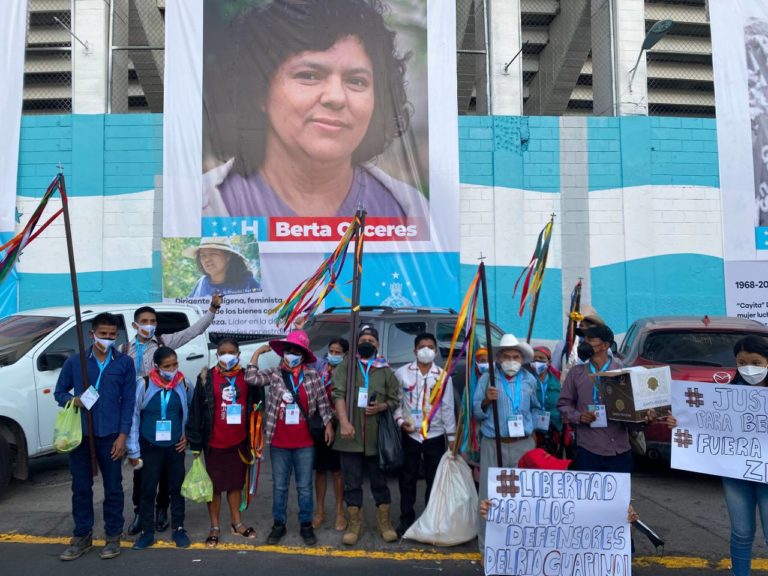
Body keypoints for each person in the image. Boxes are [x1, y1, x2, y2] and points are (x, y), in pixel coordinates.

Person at [203, 0, 428, 220]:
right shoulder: (200, 206)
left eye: (357, 81)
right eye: (309, 76)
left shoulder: (409, 214)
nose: (336, 97)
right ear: (258, 91)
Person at [121, 294, 222, 536]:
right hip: (144, 413)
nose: (149, 325)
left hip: (166, 416)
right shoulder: (124, 349)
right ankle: (139, 513)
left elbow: (193, 331)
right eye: (144, 321)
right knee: (142, 473)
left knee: (167, 472)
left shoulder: (163, 343)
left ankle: (162, 511)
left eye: (153, 320)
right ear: (135, 325)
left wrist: (212, 309)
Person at [667, 336, 768, 576]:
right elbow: (703, 423)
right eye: (742, 362)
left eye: (756, 361)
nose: (749, 368)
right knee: (741, 533)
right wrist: (679, 423)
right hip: (735, 475)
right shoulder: (725, 396)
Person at [54, 312, 137, 561]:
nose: (108, 338)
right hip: (80, 436)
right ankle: (82, 537)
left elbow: (129, 402)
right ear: (92, 334)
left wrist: (123, 436)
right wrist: (74, 400)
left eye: (112, 335)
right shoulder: (76, 362)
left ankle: (113, 537)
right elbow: (59, 392)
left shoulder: (124, 363)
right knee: (81, 488)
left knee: (113, 488)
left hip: (110, 435)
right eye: (103, 334)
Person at [246, 330, 334, 546]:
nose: (291, 355)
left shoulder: (313, 376)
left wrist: (329, 424)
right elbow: (251, 378)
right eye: (288, 351)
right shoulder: (276, 373)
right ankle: (279, 525)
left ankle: (306, 525)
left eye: (296, 351)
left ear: (303, 355)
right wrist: (257, 352)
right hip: (278, 441)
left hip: (305, 442)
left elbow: (323, 403)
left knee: (304, 486)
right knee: (280, 486)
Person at [185, 338, 263, 547]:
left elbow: (257, 403)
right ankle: (215, 526)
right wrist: (195, 444)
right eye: (222, 352)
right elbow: (196, 413)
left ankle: (237, 523)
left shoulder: (247, 376)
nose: (227, 356)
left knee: (236, 485)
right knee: (215, 488)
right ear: (217, 354)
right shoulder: (206, 378)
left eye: (231, 352)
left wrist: (256, 433)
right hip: (214, 443)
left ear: (238, 354)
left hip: (239, 442)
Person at [332, 325, 400, 545]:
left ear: (378, 345)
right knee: (352, 482)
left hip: (376, 438)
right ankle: (354, 525)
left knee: (379, 483)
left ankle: (384, 523)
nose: (367, 343)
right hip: (349, 436)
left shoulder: (385, 370)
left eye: (371, 340)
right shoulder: (346, 366)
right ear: (356, 344)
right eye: (363, 340)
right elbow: (338, 394)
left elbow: (394, 399)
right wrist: (343, 422)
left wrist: (381, 407)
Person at [472, 333, 539, 554]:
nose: (511, 360)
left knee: (523, 495)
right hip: (494, 443)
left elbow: (537, 409)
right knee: (489, 497)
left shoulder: (530, 380)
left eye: (516, 356)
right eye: (507, 356)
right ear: (499, 359)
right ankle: (487, 549)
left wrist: (534, 434)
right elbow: (476, 412)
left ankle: (521, 546)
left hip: (523, 444)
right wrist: (486, 400)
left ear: (521, 359)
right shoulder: (487, 379)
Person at [127, 347, 192, 550]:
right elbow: (133, 416)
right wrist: (133, 450)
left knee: (177, 488)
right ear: (157, 366)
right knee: (148, 489)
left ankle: (179, 528)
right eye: (167, 366)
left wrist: (187, 436)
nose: (172, 369)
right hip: (149, 445)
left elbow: (190, 411)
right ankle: (147, 532)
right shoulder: (144, 384)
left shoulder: (183, 383)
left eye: (175, 364)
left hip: (175, 445)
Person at [393, 332, 456, 537]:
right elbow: (397, 404)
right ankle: (406, 518)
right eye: (422, 347)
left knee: (433, 479)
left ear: (436, 351)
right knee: (407, 478)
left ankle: (430, 519)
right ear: (414, 350)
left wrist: (452, 438)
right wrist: (402, 422)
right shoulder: (402, 373)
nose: (426, 350)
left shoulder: (442, 376)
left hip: (435, 435)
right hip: (411, 434)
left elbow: (447, 408)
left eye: (430, 346)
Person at [557, 324, 638, 473]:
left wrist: (644, 417)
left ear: (605, 345)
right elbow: (564, 404)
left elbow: (636, 410)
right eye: (584, 339)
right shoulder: (576, 373)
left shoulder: (622, 372)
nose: (584, 342)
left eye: (590, 339)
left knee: (618, 496)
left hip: (618, 451)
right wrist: (579, 416)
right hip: (588, 450)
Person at [312, 337, 349, 531]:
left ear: (346, 355)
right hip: (320, 423)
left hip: (340, 423)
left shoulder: (348, 372)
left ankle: (339, 512)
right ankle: (319, 511)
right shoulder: (321, 368)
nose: (333, 355)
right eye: (331, 351)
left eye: (338, 352)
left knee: (337, 471)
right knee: (320, 470)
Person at [183, 237, 261, 297]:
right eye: (203, 256)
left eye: (213, 254)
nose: (207, 259)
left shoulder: (247, 283)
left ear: (228, 256)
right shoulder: (201, 284)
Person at [530, 345, 563, 456]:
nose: (537, 361)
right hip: (533, 430)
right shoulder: (526, 380)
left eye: (541, 358)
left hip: (554, 427)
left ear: (549, 361)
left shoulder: (558, 380)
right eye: (534, 358)